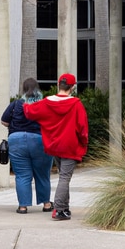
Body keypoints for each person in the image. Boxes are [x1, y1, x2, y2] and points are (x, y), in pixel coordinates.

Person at [20, 72, 90, 220]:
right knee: (65, 177)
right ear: (72, 87)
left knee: (62, 176)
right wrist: (84, 143)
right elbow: (82, 128)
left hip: (54, 145)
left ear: (59, 85)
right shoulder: (76, 104)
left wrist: (26, 100)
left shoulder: (46, 102)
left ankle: (64, 208)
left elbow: (29, 111)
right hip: (70, 145)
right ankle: (59, 209)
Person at [1, 77, 51, 214]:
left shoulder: (16, 104)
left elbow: (4, 121)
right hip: (39, 139)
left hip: (16, 140)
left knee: (22, 175)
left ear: (23, 89)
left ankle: (23, 206)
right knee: (42, 174)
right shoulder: (43, 104)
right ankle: (46, 204)